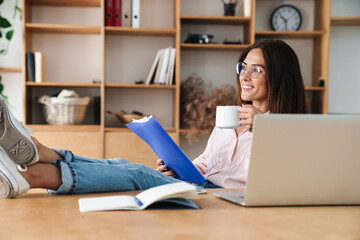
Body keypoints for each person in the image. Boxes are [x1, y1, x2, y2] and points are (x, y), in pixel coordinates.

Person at [0, 39, 306, 198]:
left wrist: (265, 125)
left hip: (226, 199)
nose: (245, 76)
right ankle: (42, 156)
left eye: (256, 69)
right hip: (202, 186)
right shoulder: (230, 120)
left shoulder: (291, 131)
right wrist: (177, 168)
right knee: (123, 164)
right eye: (243, 67)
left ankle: (34, 175)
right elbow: (206, 163)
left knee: (137, 174)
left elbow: (276, 182)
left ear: (278, 76)